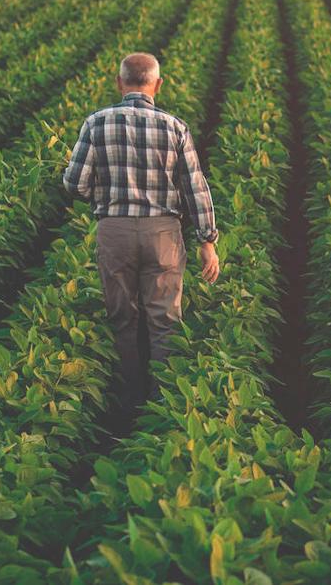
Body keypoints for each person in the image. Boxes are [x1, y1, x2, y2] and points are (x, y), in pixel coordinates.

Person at [63, 52, 220, 421]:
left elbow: (74, 183)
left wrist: (102, 191)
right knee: (164, 321)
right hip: (162, 233)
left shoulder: (96, 123)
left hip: (114, 229)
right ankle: (162, 405)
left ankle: (128, 400)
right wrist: (207, 242)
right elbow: (195, 189)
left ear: (119, 83)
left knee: (122, 317)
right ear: (157, 85)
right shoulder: (174, 128)